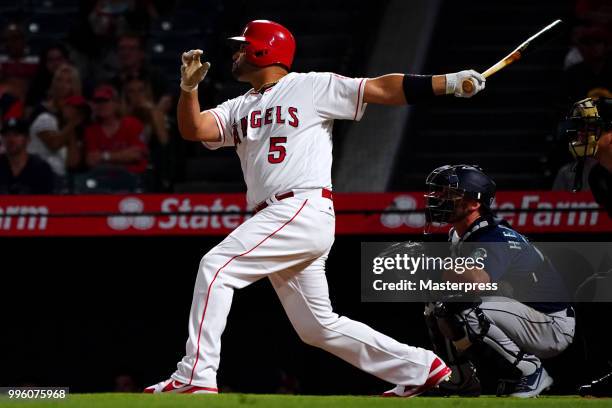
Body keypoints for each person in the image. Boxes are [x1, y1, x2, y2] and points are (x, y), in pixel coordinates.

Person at [144, 19, 486, 396]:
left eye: (243, 46)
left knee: (216, 268)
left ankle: (196, 376)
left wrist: (448, 82)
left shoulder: (309, 85)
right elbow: (195, 129)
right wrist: (188, 88)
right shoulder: (240, 105)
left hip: (297, 207)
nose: (236, 53)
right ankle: (425, 369)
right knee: (317, 327)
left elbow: (378, 88)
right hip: (283, 216)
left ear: (264, 50)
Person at [422, 165, 575, 398]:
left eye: (450, 194)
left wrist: (430, 264)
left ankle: (531, 371)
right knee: (436, 301)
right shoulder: (459, 233)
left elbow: (476, 281)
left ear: (474, 203)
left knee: (457, 304)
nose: (440, 199)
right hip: (522, 314)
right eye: (440, 192)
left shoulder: (493, 235)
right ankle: (461, 377)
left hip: (551, 325)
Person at [28, 64, 83, 179]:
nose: (62, 85)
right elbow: (54, 144)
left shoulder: (73, 118)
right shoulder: (42, 112)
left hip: (62, 177)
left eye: (68, 81)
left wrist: (71, 123)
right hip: (37, 174)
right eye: (59, 80)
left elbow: (73, 163)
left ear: (75, 87)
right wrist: (72, 123)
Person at [84, 84, 148, 174]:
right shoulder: (91, 130)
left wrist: (104, 156)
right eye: (98, 101)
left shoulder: (133, 124)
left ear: (116, 104)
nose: (101, 105)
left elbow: (136, 154)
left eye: (105, 101)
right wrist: (124, 155)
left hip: (133, 178)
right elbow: (91, 161)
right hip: (104, 180)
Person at [0, 118, 54, 194]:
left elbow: (48, 202)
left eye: (16, 135)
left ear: (28, 139)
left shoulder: (41, 168)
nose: (11, 140)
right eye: (6, 135)